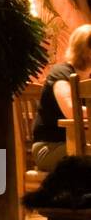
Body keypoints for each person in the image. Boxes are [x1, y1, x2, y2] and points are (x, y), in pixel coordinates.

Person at [31, 25, 91, 171]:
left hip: (79, 144)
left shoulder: (88, 78)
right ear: (86, 50)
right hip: (50, 148)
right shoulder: (61, 72)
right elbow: (72, 111)